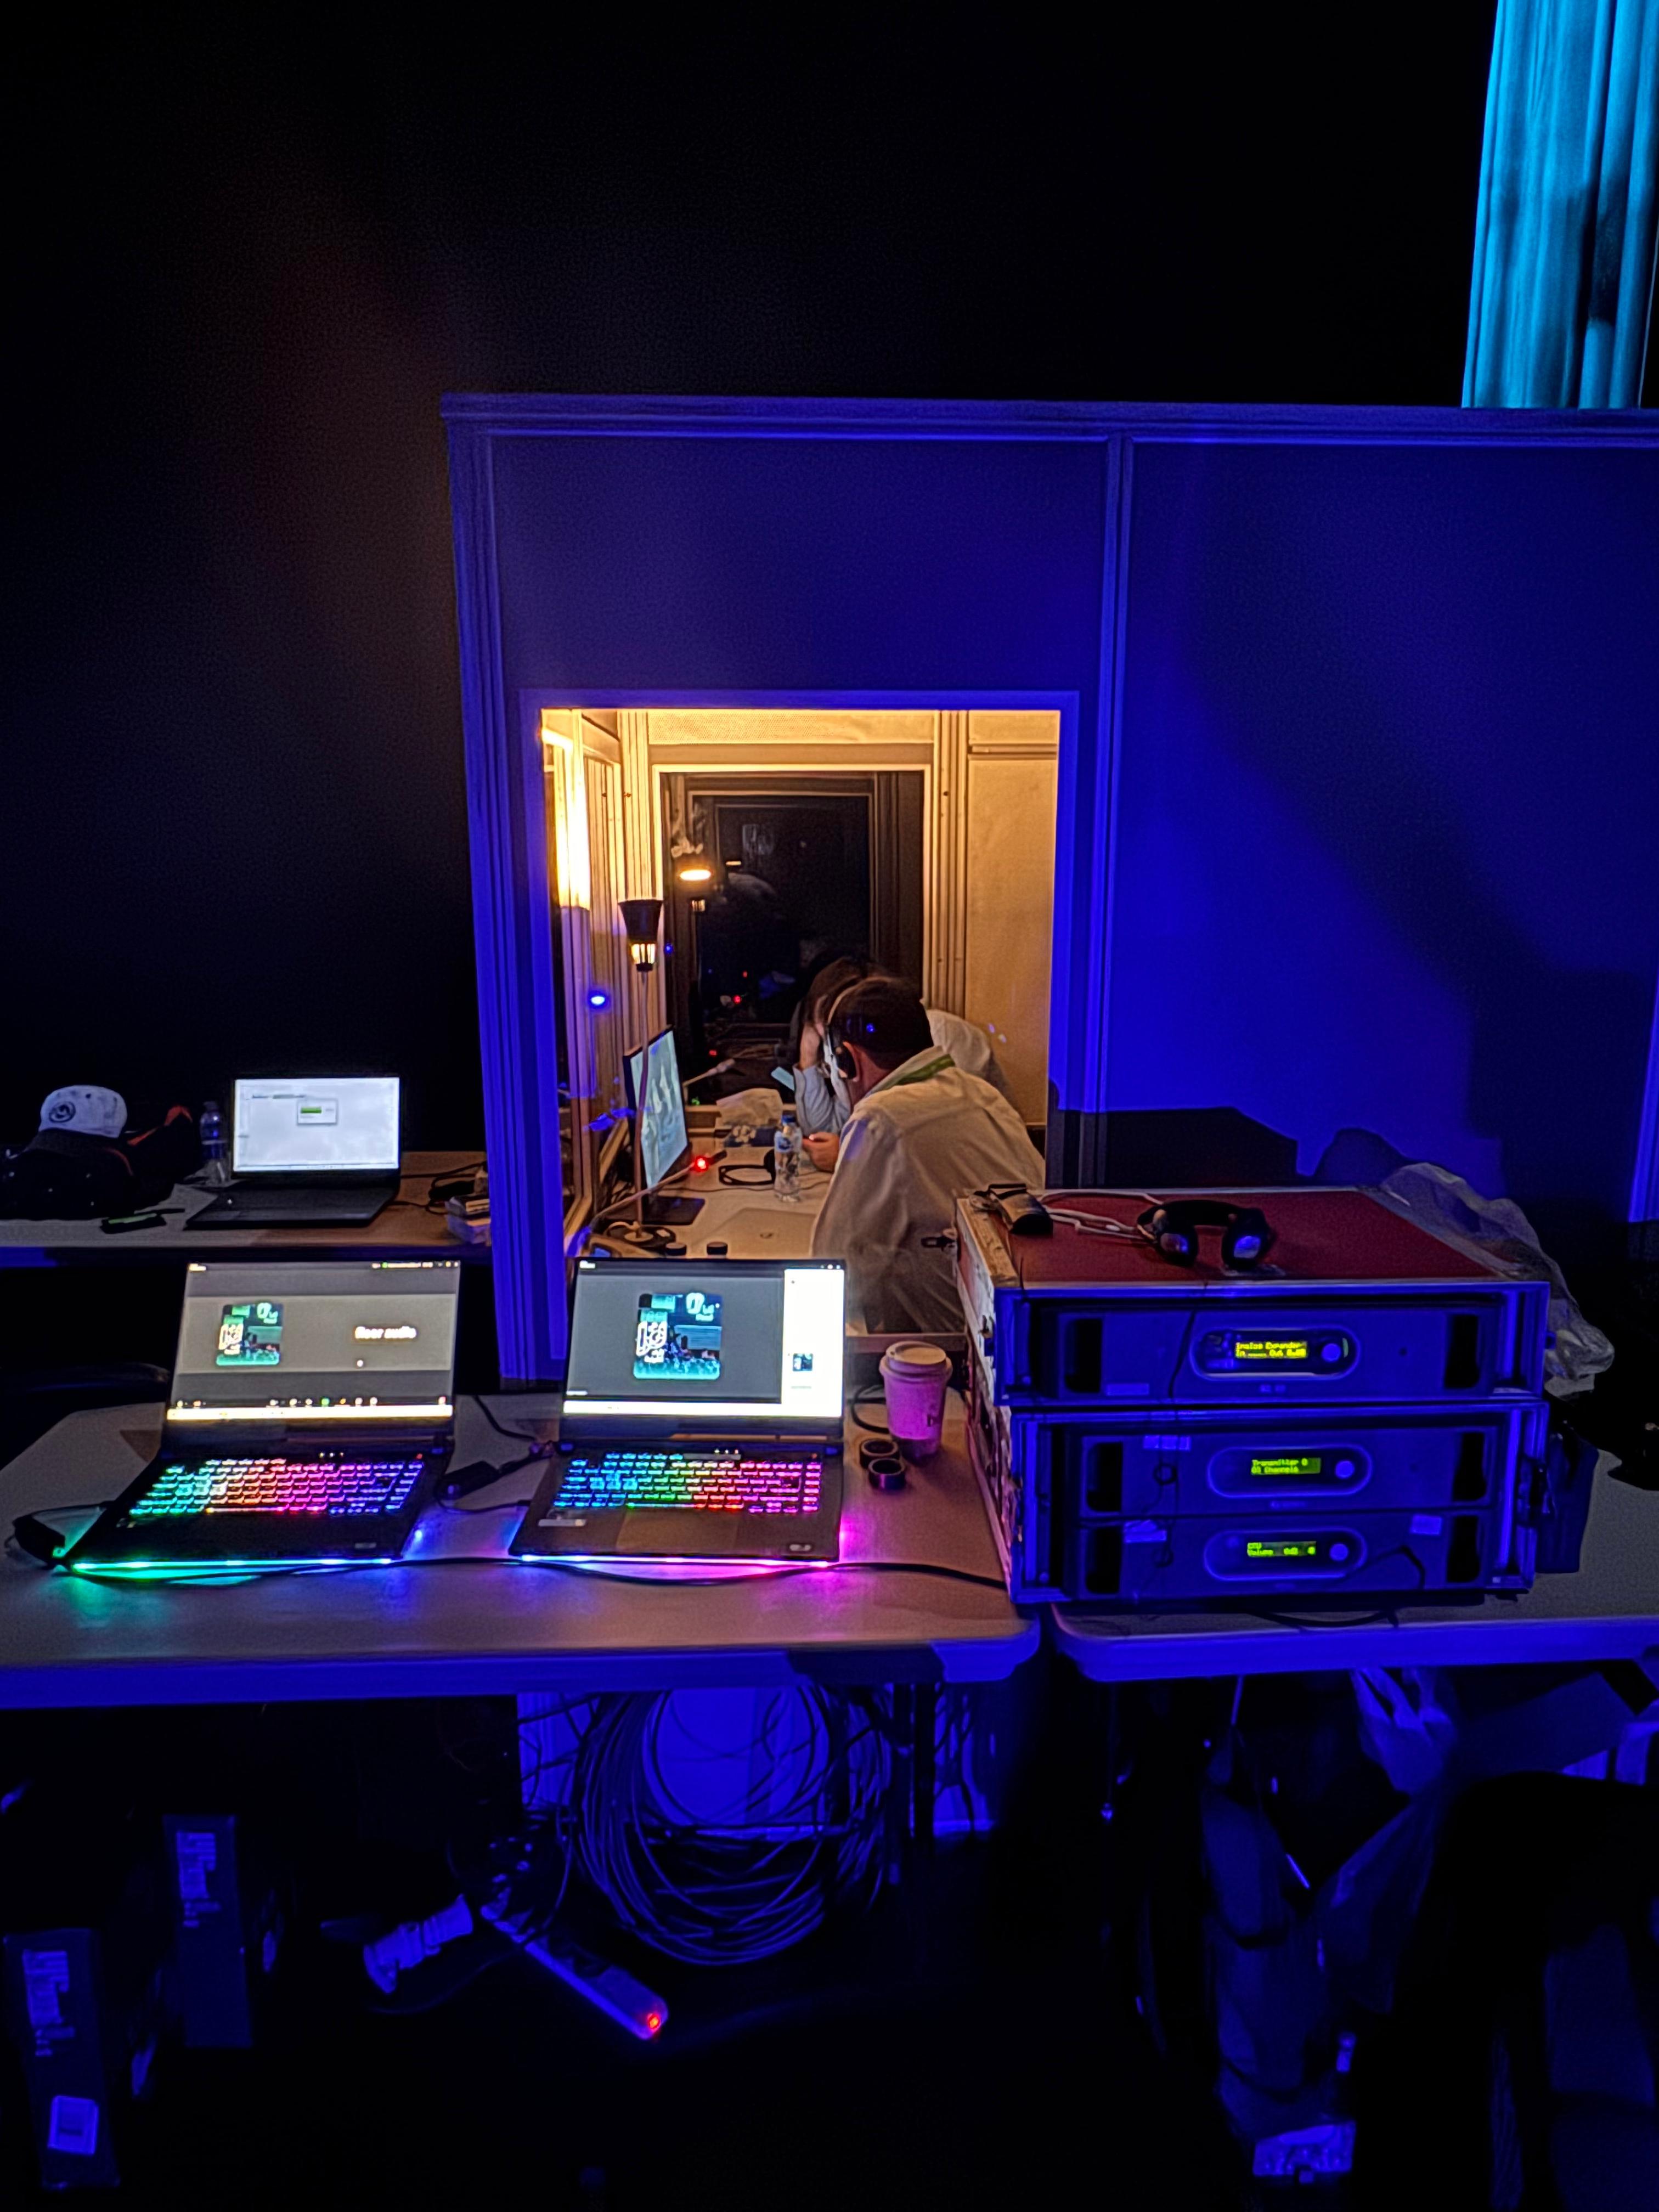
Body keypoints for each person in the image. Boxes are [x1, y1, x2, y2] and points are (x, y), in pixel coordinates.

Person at [810, 978, 1045, 1331]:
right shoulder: (983, 1094)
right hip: (1035, 1325)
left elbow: (833, 1271)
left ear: (847, 1059)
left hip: (965, 1350)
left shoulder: (880, 1119)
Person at [792, 957, 1015, 1169]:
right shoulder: (851, 1057)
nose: (832, 1032)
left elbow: (948, 1134)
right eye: (823, 1023)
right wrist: (808, 1053)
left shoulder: (941, 1033)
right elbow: (823, 1131)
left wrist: (850, 1156)